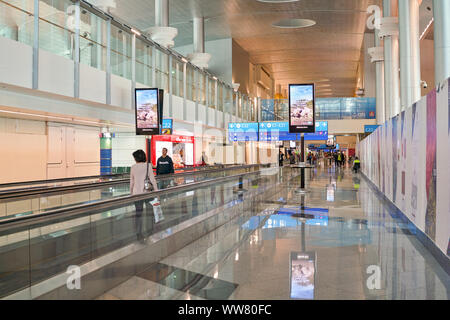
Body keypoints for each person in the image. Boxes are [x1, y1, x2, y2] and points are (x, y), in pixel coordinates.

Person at [130, 150, 158, 241]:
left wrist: (131, 193)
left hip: (136, 194)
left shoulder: (133, 167)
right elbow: (153, 180)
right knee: (150, 212)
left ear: (137, 158)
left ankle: (139, 234)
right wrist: (157, 191)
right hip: (147, 193)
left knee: (138, 214)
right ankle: (150, 230)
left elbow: (132, 182)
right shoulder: (148, 166)